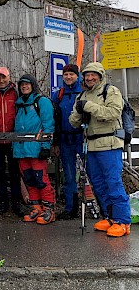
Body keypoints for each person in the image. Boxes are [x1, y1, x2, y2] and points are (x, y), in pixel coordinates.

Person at [69, 62, 131, 237]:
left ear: (100, 76)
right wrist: (79, 112)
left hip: (110, 143)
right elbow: (73, 122)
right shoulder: (81, 95)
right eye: (87, 75)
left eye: (93, 75)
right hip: (91, 145)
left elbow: (112, 113)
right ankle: (109, 217)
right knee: (98, 183)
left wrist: (88, 106)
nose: (89, 78)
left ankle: (123, 221)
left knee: (113, 182)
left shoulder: (111, 91)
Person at [52, 64, 99, 220]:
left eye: (71, 74)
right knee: (69, 175)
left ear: (77, 76)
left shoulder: (85, 93)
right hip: (65, 140)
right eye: (66, 74)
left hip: (82, 138)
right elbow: (56, 121)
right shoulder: (59, 95)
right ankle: (70, 208)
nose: (68, 77)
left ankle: (99, 205)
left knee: (91, 173)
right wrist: (56, 143)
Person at [13, 74, 56, 225]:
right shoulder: (19, 104)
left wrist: (46, 146)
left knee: (41, 179)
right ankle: (36, 207)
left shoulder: (41, 101)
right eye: (22, 85)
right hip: (21, 148)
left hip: (36, 148)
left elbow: (48, 124)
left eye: (27, 84)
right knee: (29, 179)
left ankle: (49, 209)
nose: (24, 87)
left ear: (33, 85)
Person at [0, 67, 23, 216]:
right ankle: (3, 202)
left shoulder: (16, 93)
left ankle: (17, 203)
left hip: (13, 139)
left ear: (9, 77)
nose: (1, 81)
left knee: (15, 173)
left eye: (4, 77)